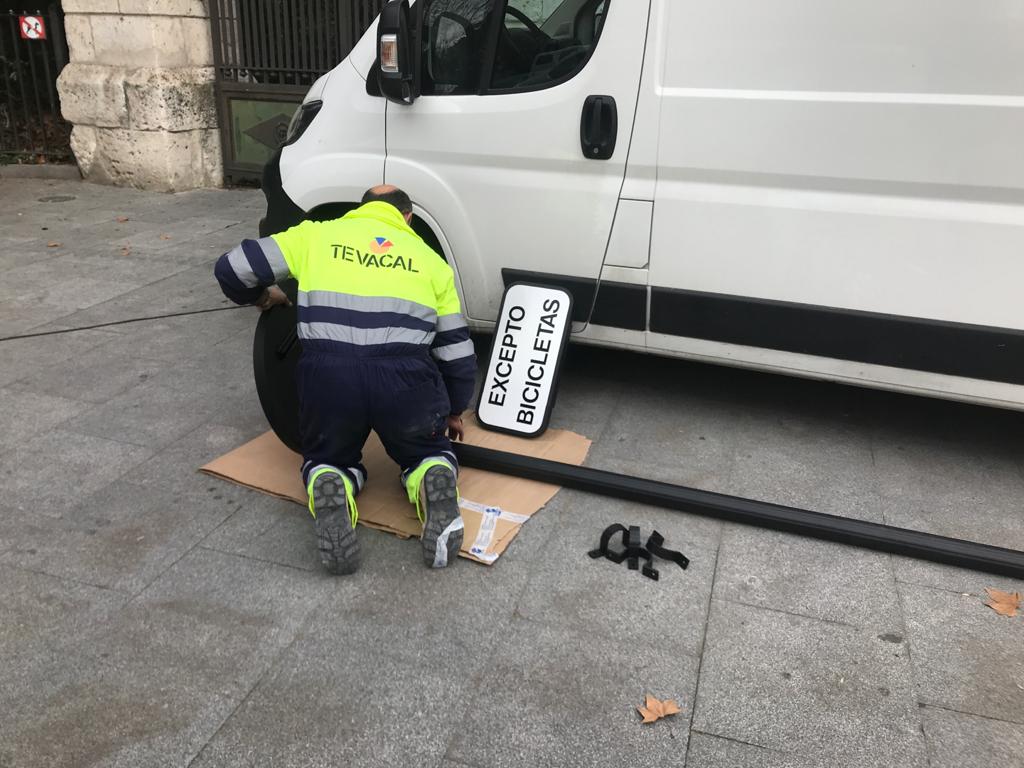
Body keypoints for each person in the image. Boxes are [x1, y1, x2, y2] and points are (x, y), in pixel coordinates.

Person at [214, 185, 476, 575]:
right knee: (425, 450)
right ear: (407, 219)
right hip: (405, 381)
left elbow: (232, 268)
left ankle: (331, 479)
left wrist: (263, 299)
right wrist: (454, 408)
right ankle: (431, 473)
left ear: (362, 210)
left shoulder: (316, 235)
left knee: (327, 455)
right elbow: (456, 348)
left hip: (328, 377)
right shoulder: (432, 262)